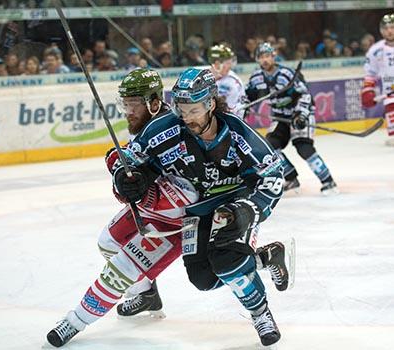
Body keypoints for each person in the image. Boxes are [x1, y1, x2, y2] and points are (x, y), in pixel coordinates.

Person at [46, 68, 292, 347]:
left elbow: (274, 177)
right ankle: (266, 257)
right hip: (195, 214)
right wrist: (127, 179)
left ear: (211, 104)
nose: (187, 118)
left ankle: (261, 314)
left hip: (232, 205)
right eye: (182, 109)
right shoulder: (166, 127)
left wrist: (248, 211)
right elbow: (125, 157)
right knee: (203, 280)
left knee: (227, 262)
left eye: (194, 110)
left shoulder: (237, 134)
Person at [246, 42, 338, 195]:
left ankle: (328, 181)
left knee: (304, 148)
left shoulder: (286, 74)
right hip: (279, 117)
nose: (265, 60)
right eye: (261, 57)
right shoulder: (256, 77)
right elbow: (247, 96)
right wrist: (244, 109)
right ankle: (291, 179)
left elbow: (305, 94)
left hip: (299, 114)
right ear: (257, 59)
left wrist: (301, 114)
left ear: (273, 56)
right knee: (269, 148)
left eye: (267, 56)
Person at [361, 13, 394, 147]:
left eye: (392, 27)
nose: (389, 31)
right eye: (386, 28)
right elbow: (370, 73)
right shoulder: (375, 51)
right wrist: (368, 90)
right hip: (390, 94)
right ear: (381, 31)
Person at [208, 44, 247, 118]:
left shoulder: (234, 81)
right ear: (216, 63)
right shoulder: (201, 78)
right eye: (227, 63)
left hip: (227, 123)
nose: (230, 66)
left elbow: (241, 105)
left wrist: (233, 111)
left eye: (230, 62)